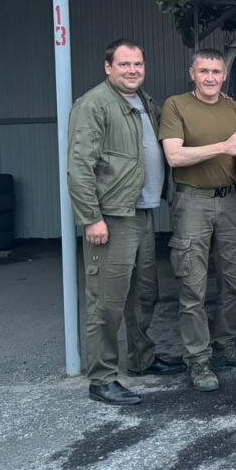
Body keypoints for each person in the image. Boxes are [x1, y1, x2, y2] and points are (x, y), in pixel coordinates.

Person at [66, 39, 184, 406]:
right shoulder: (93, 105)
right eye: (124, 64)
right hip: (113, 216)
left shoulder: (145, 101)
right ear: (108, 68)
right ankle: (102, 379)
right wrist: (91, 218)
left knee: (144, 294)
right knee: (107, 302)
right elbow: (79, 166)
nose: (132, 70)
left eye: (138, 64)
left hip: (142, 211)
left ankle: (141, 358)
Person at [159, 48, 236, 393]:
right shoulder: (176, 106)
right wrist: (221, 148)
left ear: (224, 75)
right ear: (192, 74)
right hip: (192, 202)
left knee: (234, 280)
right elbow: (174, 156)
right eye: (204, 71)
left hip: (229, 200)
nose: (210, 77)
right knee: (193, 286)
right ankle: (198, 359)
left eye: (216, 72)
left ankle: (226, 345)